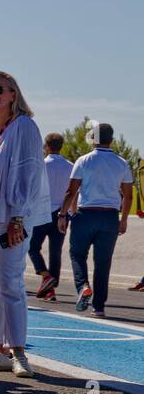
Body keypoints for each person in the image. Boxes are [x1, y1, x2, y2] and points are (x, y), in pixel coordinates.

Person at [0, 72, 48, 378]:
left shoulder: (24, 127)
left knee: (12, 285)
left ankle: (19, 352)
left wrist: (18, 216)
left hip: (10, 219)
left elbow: (29, 172)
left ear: (13, 94)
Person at [59, 122, 134, 317]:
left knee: (77, 254)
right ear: (111, 139)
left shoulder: (84, 160)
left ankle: (83, 285)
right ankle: (99, 307)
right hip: (109, 216)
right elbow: (128, 195)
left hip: (86, 214)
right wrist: (123, 219)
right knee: (103, 262)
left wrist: (63, 214)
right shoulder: (122, 163)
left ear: (93, 139)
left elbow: (71, 190)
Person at [29, 133, 72, 300]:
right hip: (61, 213)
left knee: (32, 247)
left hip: (42, 212)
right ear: (60, 146)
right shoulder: (70, 166)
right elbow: (73, 191)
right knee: (56, 252)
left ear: (46, 147)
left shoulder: (41, 165)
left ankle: (46, 277)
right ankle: (50, 286)